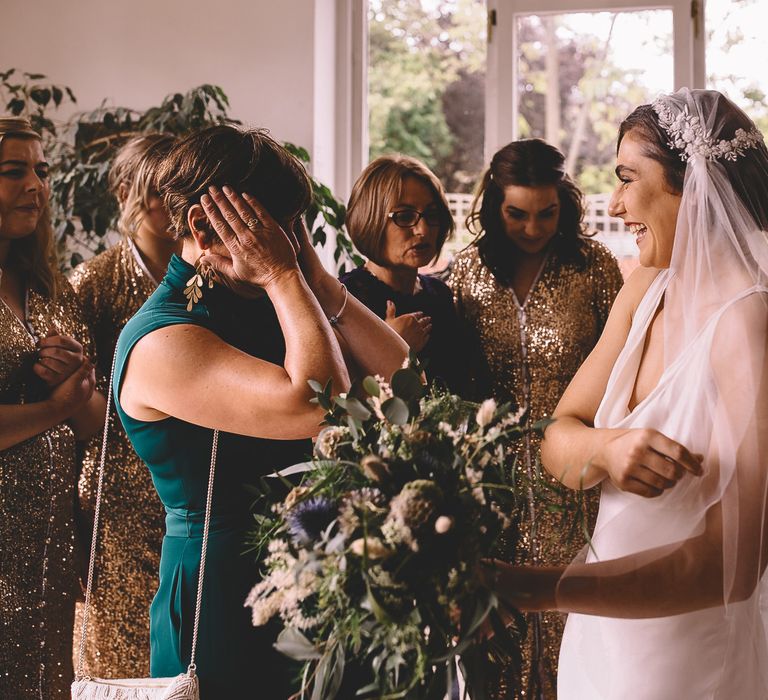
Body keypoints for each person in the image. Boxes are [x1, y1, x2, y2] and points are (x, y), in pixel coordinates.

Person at [488, 89, 768, 699]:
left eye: (626, 178)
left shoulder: (748, 324)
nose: (613, 204)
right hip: (602, 637)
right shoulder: (643, 287)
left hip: (688, 661)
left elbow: (734, 568)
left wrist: (539, 589)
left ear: (691, 186)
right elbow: (558, 435)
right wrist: (608, 450)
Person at [112, 125, 408, 698]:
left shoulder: (276, 300)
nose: (289, 248)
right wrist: (281, 276)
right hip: (221, 598)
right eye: (273, 230)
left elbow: (400, 379)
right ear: (203, 226)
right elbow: (316, 405)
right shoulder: (162, 338)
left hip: (316, 576)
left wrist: (316, 280)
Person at [448, 138, 623, 698]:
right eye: (517, 214)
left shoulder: (595, 267)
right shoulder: (467, 273)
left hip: (579, 482)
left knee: (584, 627)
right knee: (496, 643)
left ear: (564, 202)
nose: (533, 227)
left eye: (547, 212)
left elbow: (625, 368)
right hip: (490, 488)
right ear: (494, 205)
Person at [0, 116, 105, 698]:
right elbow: (63, 409)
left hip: (50, 546)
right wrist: (56, 405)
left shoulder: (49, 287)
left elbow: (93, 426)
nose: (36, 185)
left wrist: (79, 391)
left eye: (41, 171)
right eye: (14, 171)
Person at [69, 133, 179, 677]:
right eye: (161, 190)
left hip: (185, 490)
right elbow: (72, 415)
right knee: (118, 661)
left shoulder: (209, 277)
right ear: (124, 192)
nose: (176, 204)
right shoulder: (91, 284)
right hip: (112, 503)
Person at [342, 154, 465, 392]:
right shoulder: (346, 300)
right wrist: (391, 346)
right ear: (371, 219)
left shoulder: (439, 294)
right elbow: (340, 403)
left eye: (431, 215)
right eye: (405, 216)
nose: (423, 229)